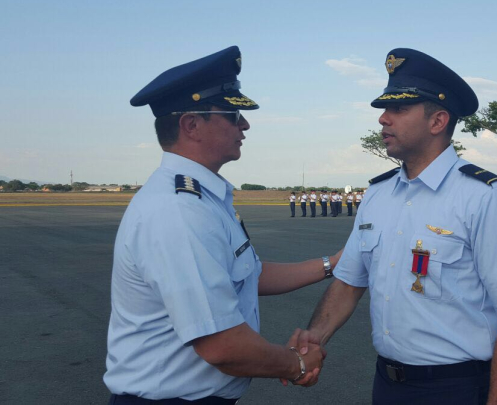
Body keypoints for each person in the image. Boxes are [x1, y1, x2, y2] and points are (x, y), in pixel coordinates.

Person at [294, 48, 497, 405]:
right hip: (388, 384)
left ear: (437, 121)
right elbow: (350, 280)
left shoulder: (483, 197)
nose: (383, 119)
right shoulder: (377, 195)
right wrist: (314, 339)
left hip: (455, 388)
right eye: (385, 110)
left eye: (398, 109)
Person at [105, 46, 339, 404]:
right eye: (232, 114)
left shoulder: (204, 198)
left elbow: (248, 274)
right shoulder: (180, 211)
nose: (244, 124)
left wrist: (331, 266)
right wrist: (296, 363)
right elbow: (222, 346)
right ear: (191, 125)